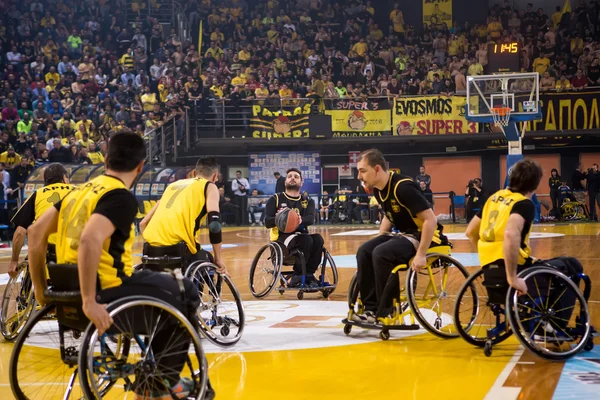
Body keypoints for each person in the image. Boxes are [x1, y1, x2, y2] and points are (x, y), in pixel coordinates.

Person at [26, 133, 214, 400]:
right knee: (187, 294)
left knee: (155, 281)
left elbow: (35, 233)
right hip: (109, 290)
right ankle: (159, 385)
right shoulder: (120, 197)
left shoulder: (76, 193)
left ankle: (153, 379)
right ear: (141, 166)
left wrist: (41, 289)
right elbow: (91, 238)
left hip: (66, 288)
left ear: (105, 160)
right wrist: (90, 301)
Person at [352, 149, 446, 323]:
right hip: (405, 235)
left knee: (381, 253)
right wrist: (380, 237)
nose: (359, 176)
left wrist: (421, 254)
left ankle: (388, 309)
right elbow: (390, 214)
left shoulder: (403, 187)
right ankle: (370, 309)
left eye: (362, 170)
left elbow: (431, 220)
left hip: (427, 236)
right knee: (365, 250)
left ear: (377, 169)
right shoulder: (379, 190)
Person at [466, 159, 544, 296]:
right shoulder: (523, 203)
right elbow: (510, 233)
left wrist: (487, 256)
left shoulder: (493, 198)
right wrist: (512, 278)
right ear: (535, 184)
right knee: (569, 266)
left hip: (488, 265)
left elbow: (471, 232)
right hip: (514, 267)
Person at [141, 156, 227, 272]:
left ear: (195, 172)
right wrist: (218, 259)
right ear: (215, 176)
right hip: (180, 250)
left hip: (151, 250)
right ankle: (198, 289)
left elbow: (143, 223)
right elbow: (214, 226)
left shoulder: (173, 186)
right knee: (207, 260)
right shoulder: (209, 186)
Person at [8, 163, 74, 277]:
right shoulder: (81, 191)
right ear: (64, 178)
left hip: (46, 260)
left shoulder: (37, 194)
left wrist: (14, 261)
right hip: (76, 256)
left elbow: (20, 232)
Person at [264, 168, 324, 287]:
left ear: (301, 183)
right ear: (285, 182)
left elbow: (310, 219)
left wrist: (298, 219)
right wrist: (281, 218)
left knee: (318, 239)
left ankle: (309, 275)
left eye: (296, 177)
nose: (292, 178)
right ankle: (297, 276)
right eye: (289, 176)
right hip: (281, 239)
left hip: (300, 235)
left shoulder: (307, 201)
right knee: (305, 240)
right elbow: (267, 222)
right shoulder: (275, 199)